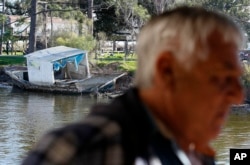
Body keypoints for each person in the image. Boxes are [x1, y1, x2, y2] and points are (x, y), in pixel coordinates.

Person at [22, 6, 244, 165]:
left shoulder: (195, 153)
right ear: (167, 71)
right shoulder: (78, 152)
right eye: (223, 78)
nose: (238, 97)